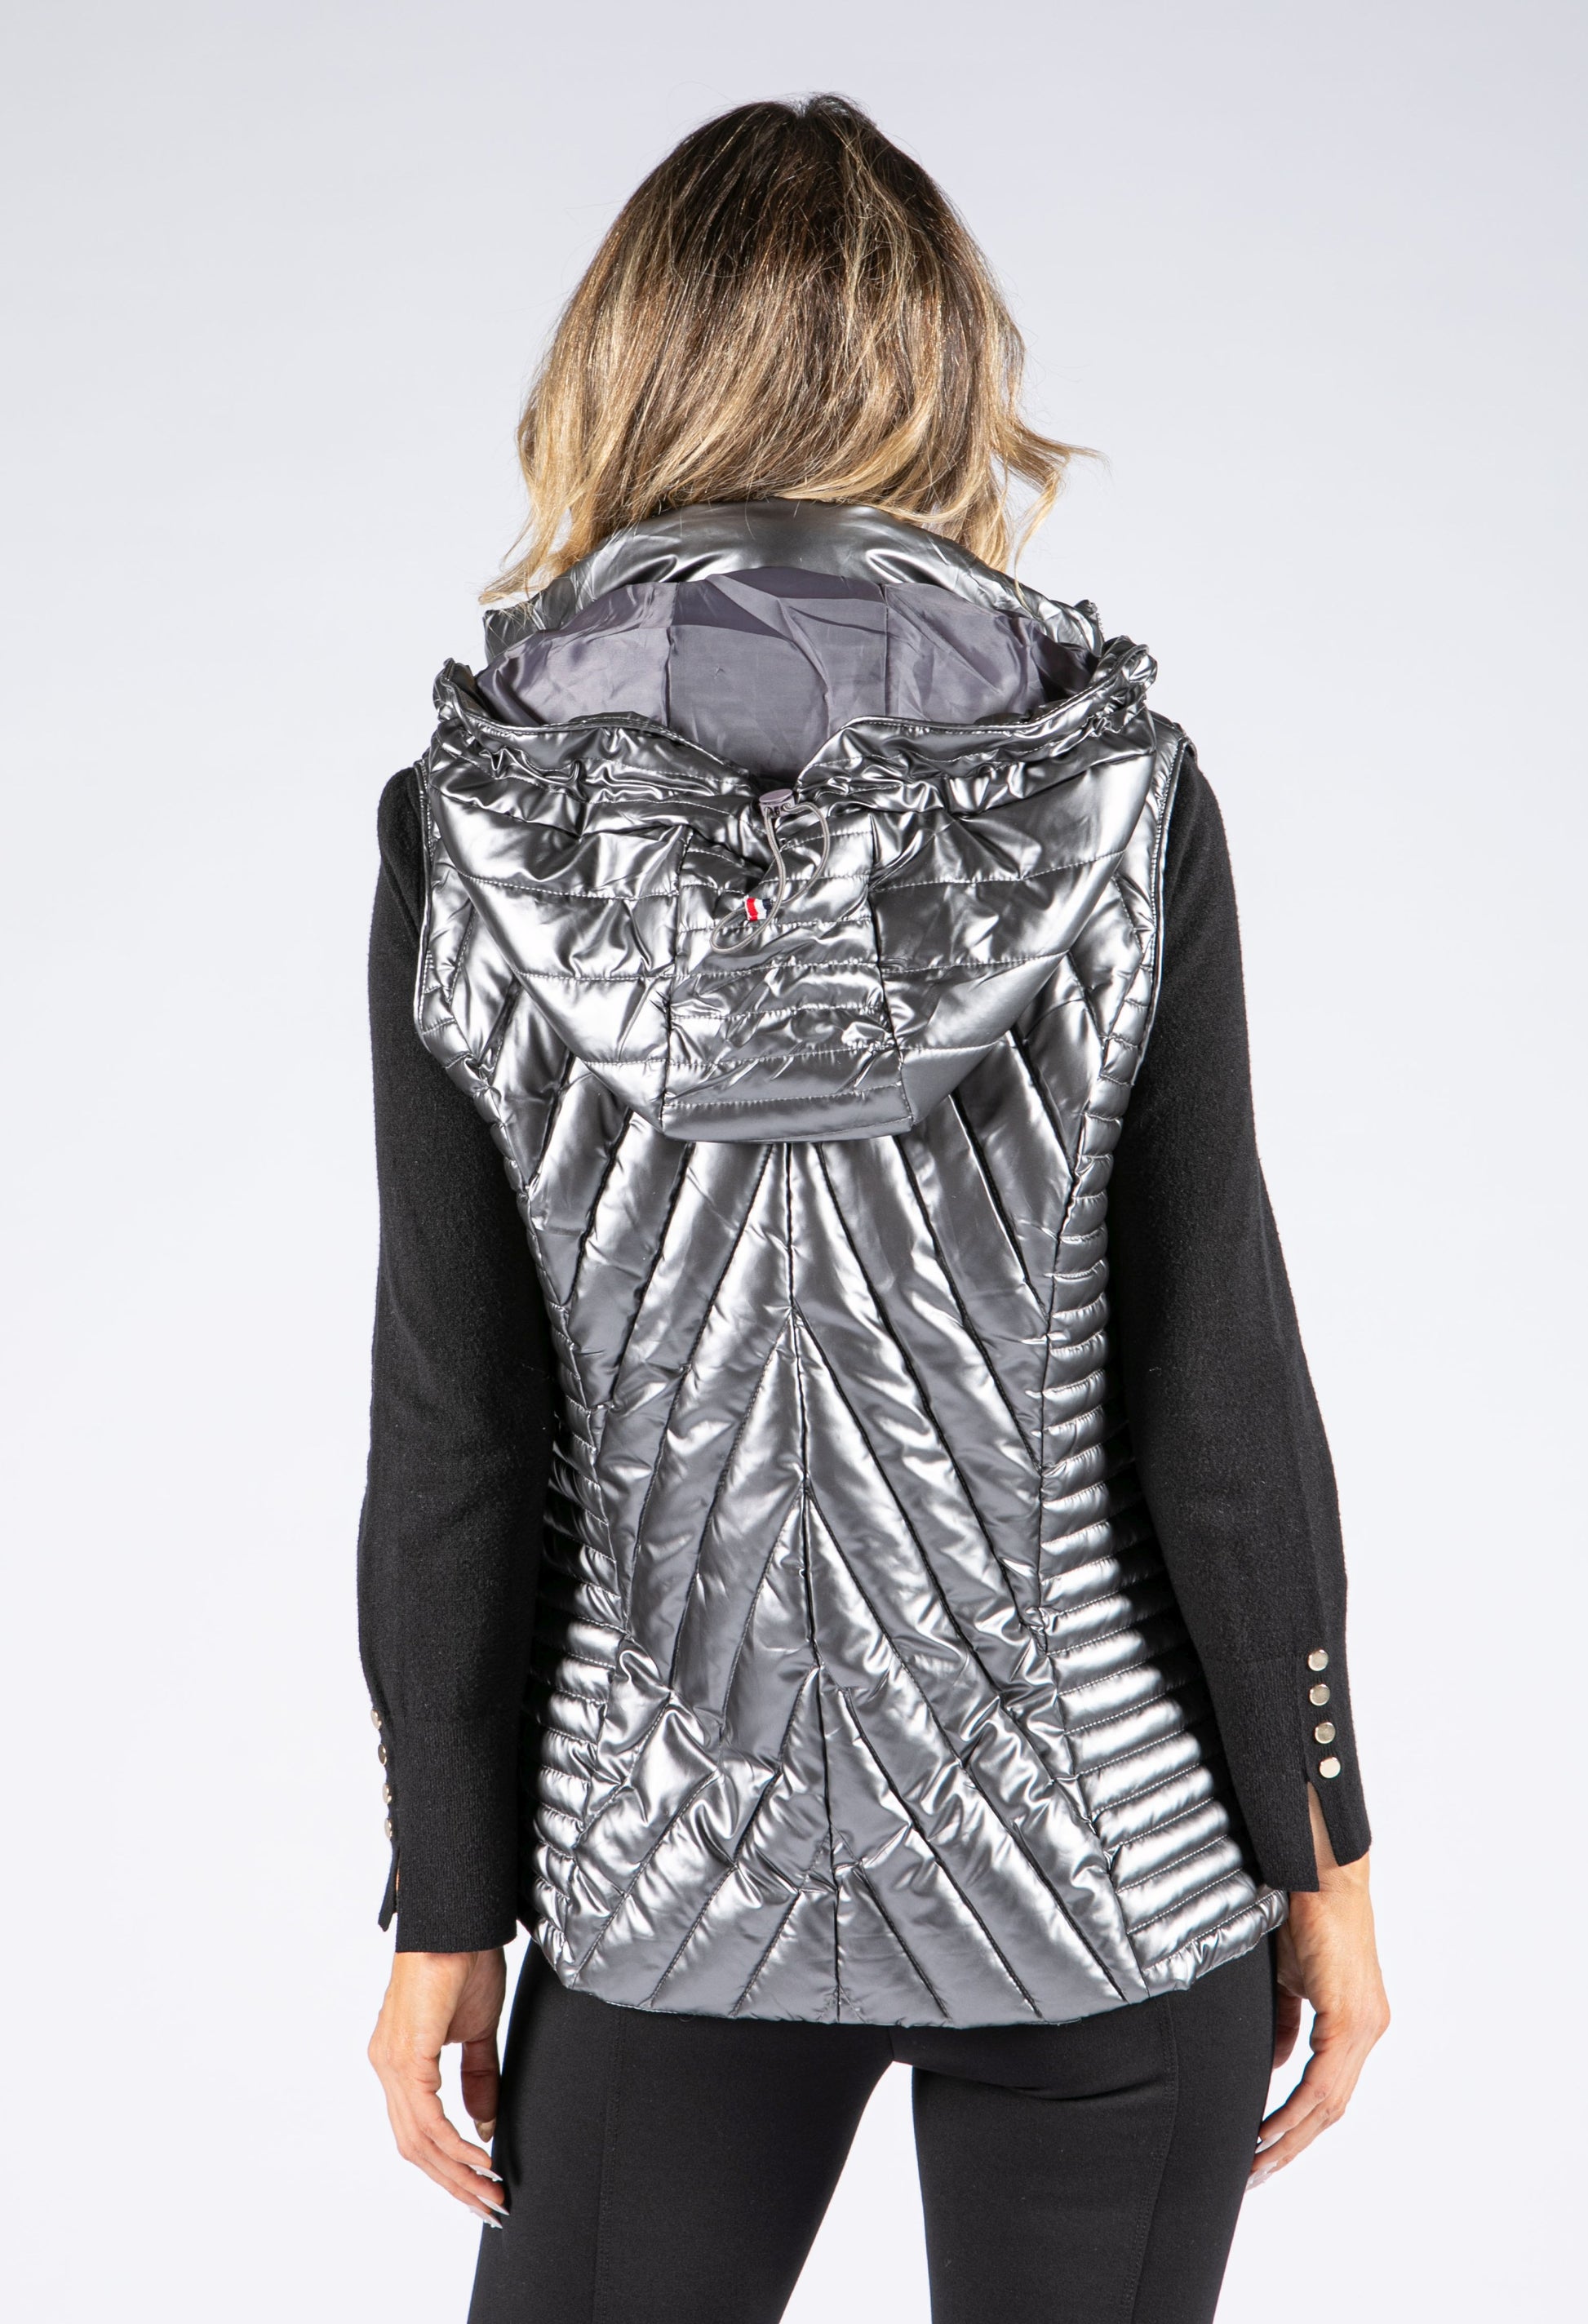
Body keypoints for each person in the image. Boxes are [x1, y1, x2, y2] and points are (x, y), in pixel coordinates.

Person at [359, 94, 1389, 2324]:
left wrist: (445, 1898)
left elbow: (459, 1424)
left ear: (617, 373)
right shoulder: (1118, 800)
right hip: (1112, 1865)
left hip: (663, 1881)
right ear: (941, 378)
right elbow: (1213, 1376)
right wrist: (1322, 1841)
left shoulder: (471, 827)